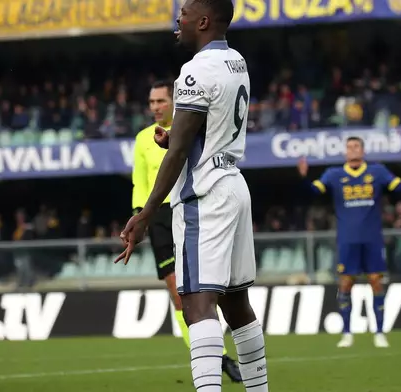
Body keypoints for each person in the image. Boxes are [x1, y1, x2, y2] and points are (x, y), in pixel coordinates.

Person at [117, 1, 268, 391]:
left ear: (202, 21)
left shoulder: (194, 70)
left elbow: (181, 151)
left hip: (204, 194)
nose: (177, 23)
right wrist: (180, 140)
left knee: (198, 306)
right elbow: (204, 129)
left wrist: (147, 213)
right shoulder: (237, 61)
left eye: (182, 15)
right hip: (234, 182)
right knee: (237, 304)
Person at [131, 80, 241, 382]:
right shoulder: (142, 139)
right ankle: (214, 357)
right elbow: (139, 181)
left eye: (161, 101)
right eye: (152, 102)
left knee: (204, 291)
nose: (155, 107)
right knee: (178, 297)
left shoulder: (188, 127)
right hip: (157, 218)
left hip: (189, 209)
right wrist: (138, 217)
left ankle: (214, 347)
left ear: (173, 102)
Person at [298, 137, 401, 348]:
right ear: (345, 152)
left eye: (356, 146)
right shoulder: (334, 174)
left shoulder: (377, 171)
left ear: (363, 151)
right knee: (345, 284)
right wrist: (302, 178)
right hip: (347, 240)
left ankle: (380, 332)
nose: (352, 150)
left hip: (372, 238)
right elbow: (314, 191)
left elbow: (400, 188)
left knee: (376, 282)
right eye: (349, 147)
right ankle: (347, 333)